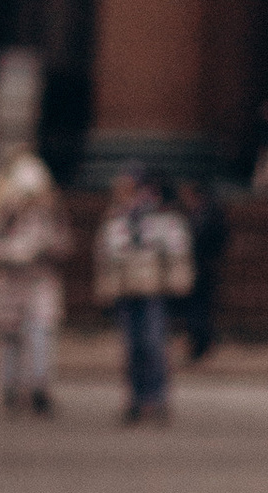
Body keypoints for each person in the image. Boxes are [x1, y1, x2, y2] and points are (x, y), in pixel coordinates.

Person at [0, 153, 71, 415]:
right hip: (8, 285)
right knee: (10, 339)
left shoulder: (50, 212)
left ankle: (39, 388)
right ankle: (9, 388)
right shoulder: (2, 215)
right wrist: (15, 253)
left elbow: (63, 245)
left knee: (40, 335)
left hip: (40, 283)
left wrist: (45, 248)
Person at [94, 169, 192, 424]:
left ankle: (157, 398)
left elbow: (176, 250)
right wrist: (105, 286)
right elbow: (105, 254)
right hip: (125, 289)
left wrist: (177, 280)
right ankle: (136, 399)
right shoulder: (117, 218)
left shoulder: (160, 217)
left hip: (151, 289)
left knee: (153, 344)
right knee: (132, 347)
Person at [173, 175, 228, 364]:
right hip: (198, 269)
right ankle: (199, 346)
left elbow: (205, 241)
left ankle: (201, 347)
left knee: (199, 311)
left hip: (202, 269)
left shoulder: (207, 214)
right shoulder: (198, 214)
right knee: (196, 311)